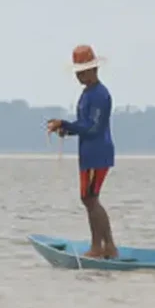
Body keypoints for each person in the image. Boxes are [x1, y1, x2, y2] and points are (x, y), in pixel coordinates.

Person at [46, 45, 118, 259]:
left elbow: (93, 128)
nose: (78, 75)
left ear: (93, 70)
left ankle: (102, 247)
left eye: (82, 71)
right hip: (88, 153)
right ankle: (106, 247)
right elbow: (84, 124)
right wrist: (66, 129)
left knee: (90, 198)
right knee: (88, 198)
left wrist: (66, 124)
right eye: (77, 71)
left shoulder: (99, 94)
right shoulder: (87, 93)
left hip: (98, 153)